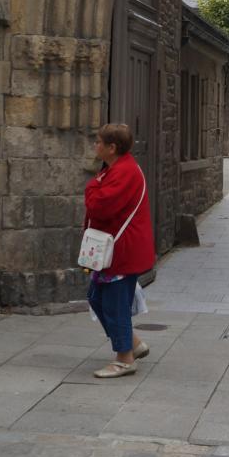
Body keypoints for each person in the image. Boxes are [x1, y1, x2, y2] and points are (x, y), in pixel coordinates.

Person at [84, 123, 156, 379]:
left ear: (111, 148)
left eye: (99, 142)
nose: (96, 146)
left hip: (121, 251)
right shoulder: (116, 168)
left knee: (114, 304)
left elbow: (100, 207)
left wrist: (92, 186)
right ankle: (133, 343)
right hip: (112, 250)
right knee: (97, 298)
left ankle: (124, 358)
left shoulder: (124, 171)